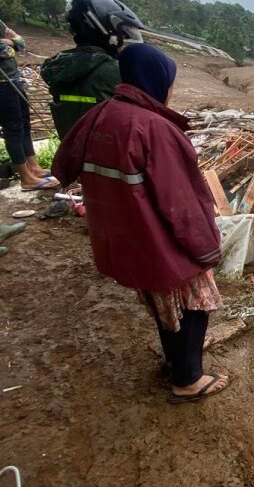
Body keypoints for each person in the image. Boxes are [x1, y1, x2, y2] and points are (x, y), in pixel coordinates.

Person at [52, 43, 229, 403]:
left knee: (162, 304)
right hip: (160, 242)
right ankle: (188, 379)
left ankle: (174, 360)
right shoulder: (154, 129)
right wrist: (206, 248)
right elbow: (182, 204)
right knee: (195, 302)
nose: (172, 90)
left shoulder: (101, 114)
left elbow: (62, 167)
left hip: (121, 238)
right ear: (156, 80)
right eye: (170, 81)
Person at [41, 0, 145, 139]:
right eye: (123, 33)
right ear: (104, 30)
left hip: (72, 152)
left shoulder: (58, 68)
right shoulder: (114, 72)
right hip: (106, 156)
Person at [0, 19, 59, 190]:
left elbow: (21, 44)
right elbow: (7, 51)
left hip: (13, 79)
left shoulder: (1, 23)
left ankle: (34, 167)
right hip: (2, 84)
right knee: (13, 129)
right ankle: (26, 178)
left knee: (25, 124)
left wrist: (13, 42)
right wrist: (12, 42)